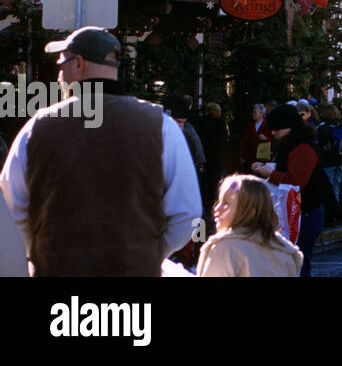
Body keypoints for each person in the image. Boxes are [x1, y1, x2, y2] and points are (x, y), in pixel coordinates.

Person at [0, 27, 202, 276]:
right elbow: (187, 212)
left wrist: (40, 251)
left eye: (62, 62)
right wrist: (146, 254)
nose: (59, 73)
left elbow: (11, 209)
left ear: (79, 64)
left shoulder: (38, 128)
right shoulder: (161, 126)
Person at [252, 103, 330, 277]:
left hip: (305, 212)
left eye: (277, 129)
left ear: (289, 127)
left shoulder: (303, 148)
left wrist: (270, 173)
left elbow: (295, 182)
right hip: (295, 211)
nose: (273, 133)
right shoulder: (290, 143)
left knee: (298, 261)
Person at [197, 174, 302, 277]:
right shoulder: (285, 251)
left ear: (250, 213)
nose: (217, 208)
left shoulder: (225, 248)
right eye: (219, 201)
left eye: (226, 203)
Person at [239, 104, 274, 173]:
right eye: (253, 112)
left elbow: (275, 139)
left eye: (255, 112)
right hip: (250, 158)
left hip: (262, 158)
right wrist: (241, 155)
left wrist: (267, 138)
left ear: (261, 114)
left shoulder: (268, 124)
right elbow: (243, 141)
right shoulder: (250, 126)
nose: (253, 114)